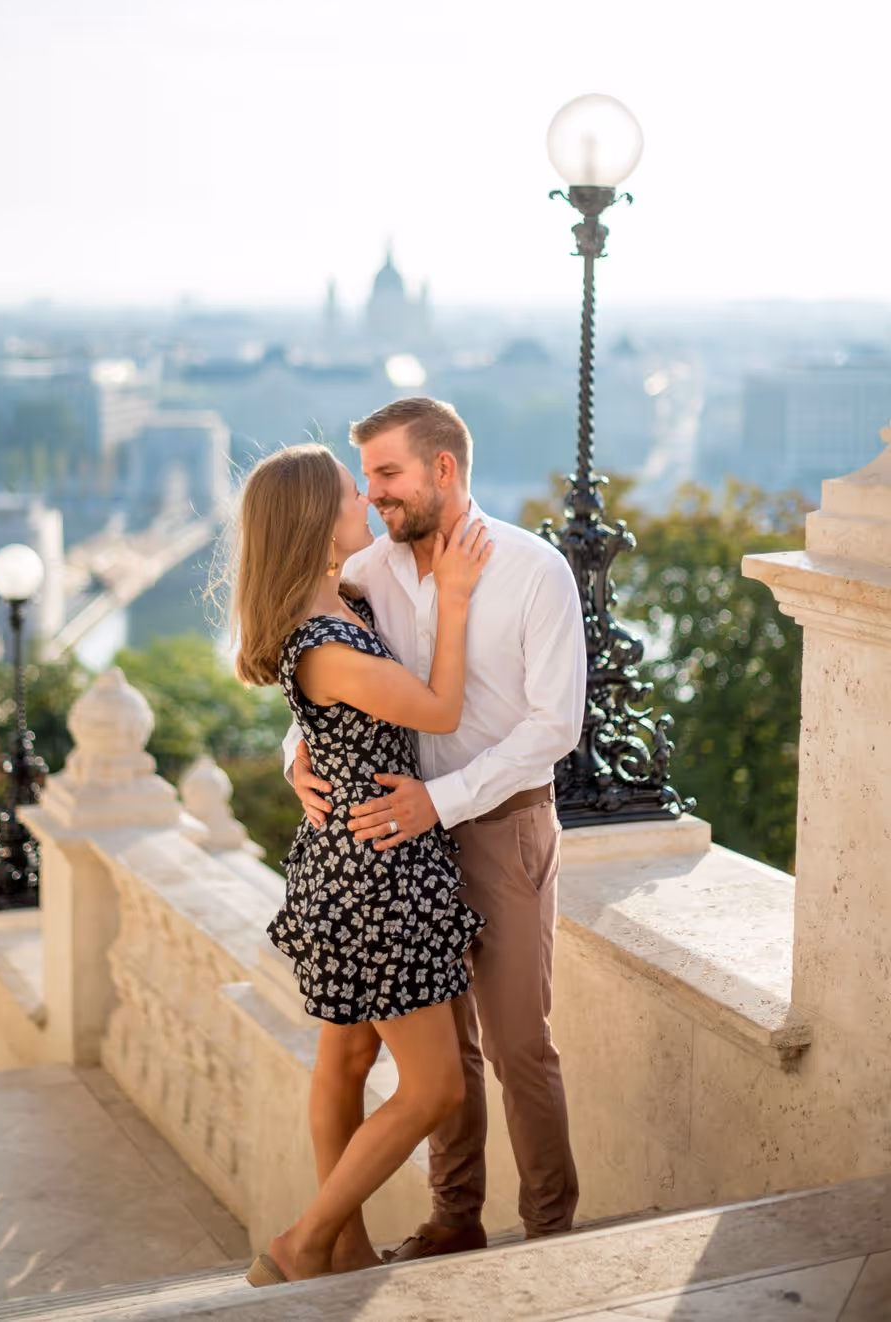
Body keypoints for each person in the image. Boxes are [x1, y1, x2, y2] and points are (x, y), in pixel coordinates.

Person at [286, 397, 586, 1258]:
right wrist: (293, 759)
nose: (373, 495)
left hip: (500, 825)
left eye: (387, 474)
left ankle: (549, 1233)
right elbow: (327, 673)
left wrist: (441, 802)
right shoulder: (369, 572)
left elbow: (554, 726)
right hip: (398, 843)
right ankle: (455, 1219)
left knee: (518, 1044)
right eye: (367, 479)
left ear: (443, 470)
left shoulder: (534, 570)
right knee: (442, 1054)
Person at [226, 442, 492, 1287]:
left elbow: (329, 726)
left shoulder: (342, 608)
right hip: (377, 876)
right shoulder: (329, 644)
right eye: (351, 493)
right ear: (314, 519)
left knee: (344, 1062)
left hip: (355, 861)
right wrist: (453, 600)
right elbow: (441, 707)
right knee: (435, 1089)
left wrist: (298, 752)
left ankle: (340, 1252)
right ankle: (305, 1243)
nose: (366, 505)